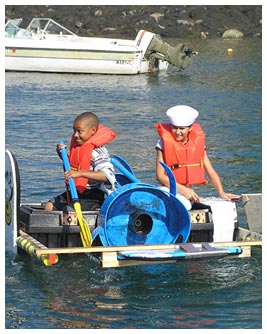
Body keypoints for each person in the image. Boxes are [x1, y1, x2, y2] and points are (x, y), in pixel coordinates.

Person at [154, 105, 240, 210]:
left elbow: (210, 171)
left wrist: (221, 192)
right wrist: (183, 190)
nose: (177, 132)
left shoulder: (197, 145)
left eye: (182, 128)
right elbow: (160, 176)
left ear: (190, 128)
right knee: (184, 205)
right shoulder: (163, 143)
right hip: (167, 188)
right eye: (174, 127)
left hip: (187, 190)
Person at [44, 112, 117, 211]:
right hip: (76, 191)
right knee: (49, 206)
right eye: (74, 131)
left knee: (69, 211)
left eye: (79, 131)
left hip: (93, 195)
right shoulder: (78, 147)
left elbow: (107, 176)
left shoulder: (98, 152)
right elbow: (72, 165)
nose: (75, 135)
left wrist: (80, 173)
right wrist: (61, 154)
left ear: (93, 130)